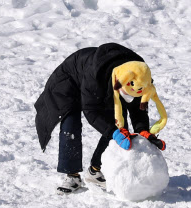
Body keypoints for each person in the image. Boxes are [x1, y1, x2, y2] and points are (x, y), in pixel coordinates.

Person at [34, 43, 167, 193]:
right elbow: (91, 111)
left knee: (120, 127)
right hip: (69, 82)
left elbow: (138, 109)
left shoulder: (139, 76)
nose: (131, 98)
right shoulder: (95, 77)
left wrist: (142, 131)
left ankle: (95, 171)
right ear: (119, 81)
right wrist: (114, 133)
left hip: (104, 83)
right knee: (70, 124)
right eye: (127, 95)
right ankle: (72, 176)